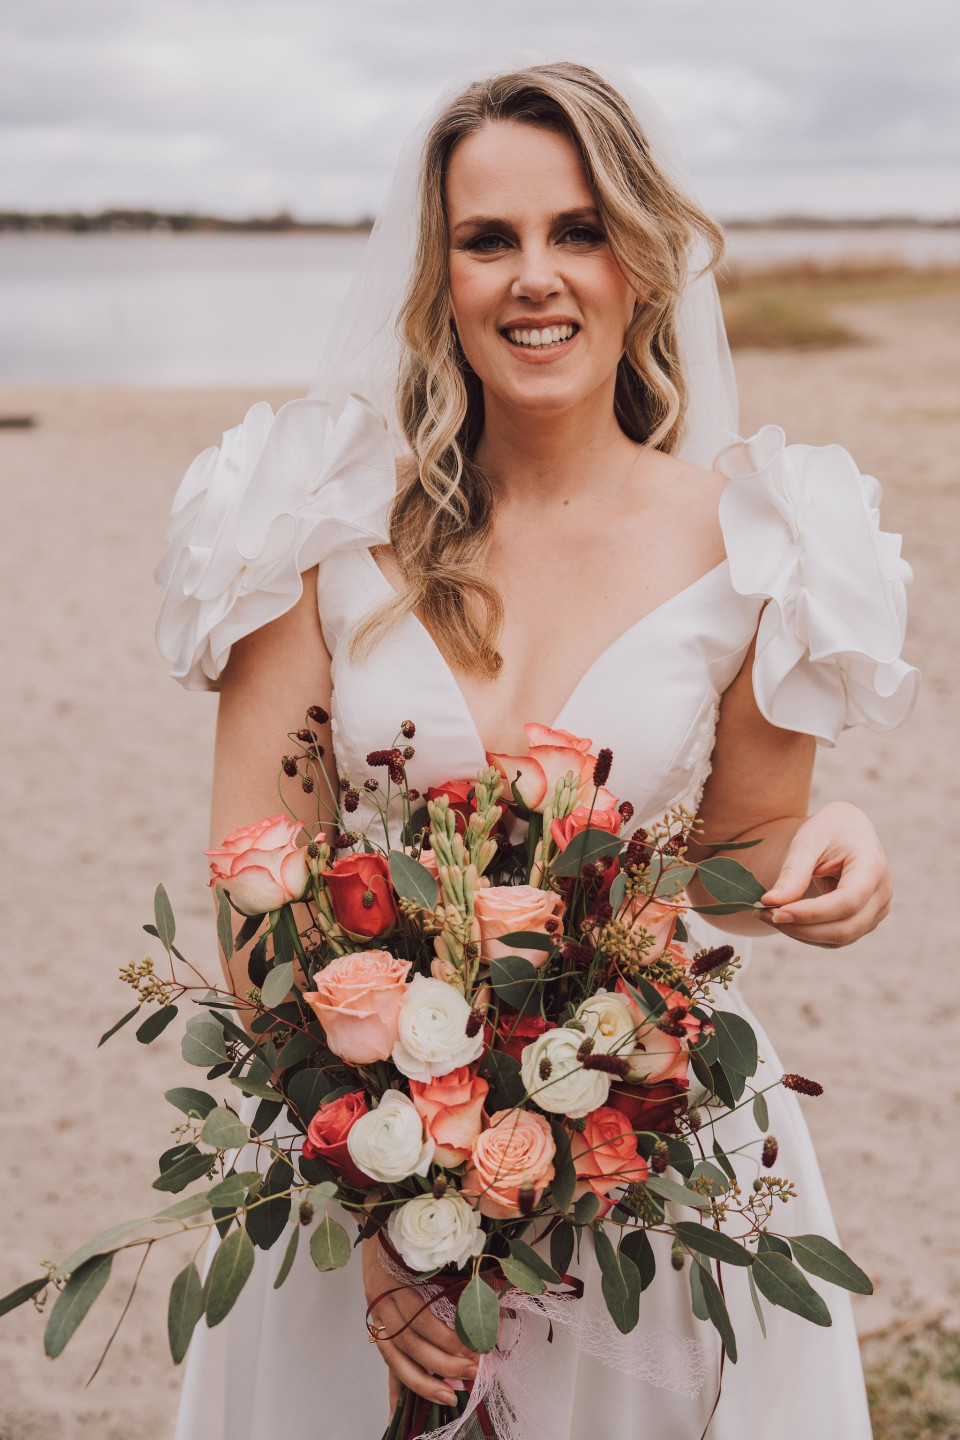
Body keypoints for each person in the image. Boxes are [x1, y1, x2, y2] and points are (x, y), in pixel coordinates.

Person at [156, 60, 918, 1440]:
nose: (535, 278)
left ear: (640, 259)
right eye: (487, 239)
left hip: (652, 1161)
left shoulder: (764, 548)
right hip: (353, 1168)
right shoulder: (311, 535)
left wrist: (834, 842)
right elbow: (254, 904)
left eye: (577, 231)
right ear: (436, 274)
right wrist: (381, 1204)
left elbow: (730, 869)